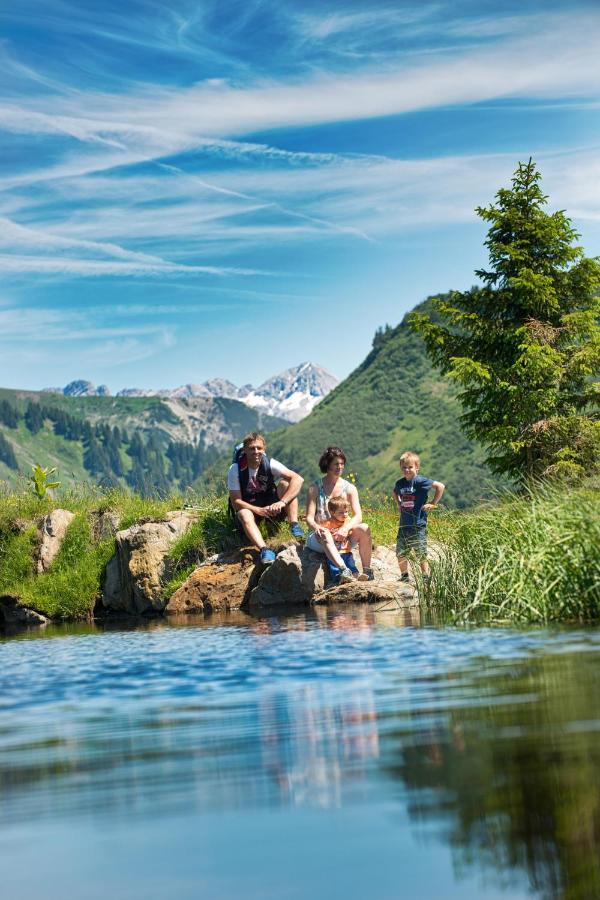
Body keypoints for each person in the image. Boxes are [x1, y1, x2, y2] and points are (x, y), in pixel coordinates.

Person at [228, 432, 305, 565]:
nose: (256, 452)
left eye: (259, 448)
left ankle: (294, 525)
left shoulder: (269, 463)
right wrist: (258, 510)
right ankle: (265, 549)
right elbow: (236, 502)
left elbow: (298, 479)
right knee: (244, 513)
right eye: (252, 448)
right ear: (245, 450)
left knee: (286, 484)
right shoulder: (235, 469)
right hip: (251, 510)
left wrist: (282, 502)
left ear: (264, 449)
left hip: (271, 507)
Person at [305, 445, 373, 580]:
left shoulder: (350, 488)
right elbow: (309, 518)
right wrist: (317, 527)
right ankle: (344, 570)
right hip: (320, 537)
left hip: (343, 537)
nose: (340, 467)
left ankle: (367, 572)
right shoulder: (315, 488)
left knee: (364, 528)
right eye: (336, 464)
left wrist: (345, 529)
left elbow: (358, 516)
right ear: (327, 465)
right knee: (325, 533)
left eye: (342, 464)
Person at [393, 451, 445, 582]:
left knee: (421, 552)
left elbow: (440, 486)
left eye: (410, 467)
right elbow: (395, 492)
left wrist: (433, 503)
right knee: (400, 552)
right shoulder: (400, 483)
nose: (407, 470)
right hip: (404, 525)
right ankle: (404, 576)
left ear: (417, 467)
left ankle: (425, 576)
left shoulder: (420, 481)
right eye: (404, 467)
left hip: (418, 524)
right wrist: (399, 504)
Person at [321, 496, 366, 584]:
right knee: (335, 568)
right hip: (335, 553)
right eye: (341, 512)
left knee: (351, 566)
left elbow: (353, 529)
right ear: (332, 512)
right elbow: (324, 535)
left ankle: (357, 577)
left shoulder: (348, 521)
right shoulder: (328, 523)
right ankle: (340, 579)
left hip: (347, 551)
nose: (345, 514)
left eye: (346, 512)